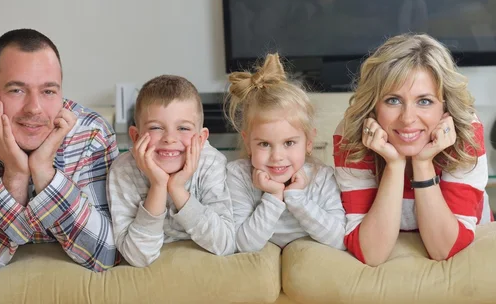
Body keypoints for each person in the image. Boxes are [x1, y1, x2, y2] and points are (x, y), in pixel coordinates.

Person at [0, 29, 119, 277]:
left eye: (48, 91)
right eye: (17, 90)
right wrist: (15, 175)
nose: (34, 108)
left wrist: (44, 172)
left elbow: (107, 253)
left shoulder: (93, 134)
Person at [334, 33, 491, 266]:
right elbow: (371, 253)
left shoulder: (466, 131)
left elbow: (443, 249)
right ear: (373, 106)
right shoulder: (353, 134)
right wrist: (395, 166)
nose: (408, 119)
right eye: (393, 100)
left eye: (424, 101)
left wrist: (422, 164)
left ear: (445, 106)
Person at [107, 75, 235, 267]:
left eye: (183, 127)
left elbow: (225, 244)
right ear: (135, 136)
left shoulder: (211, 162)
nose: (169, 138)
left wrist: (177, 189)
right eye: (156, 127)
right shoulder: (123, 171)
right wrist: (158, 186)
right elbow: (137, 257)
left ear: (201, 139)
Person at [224, 53, 346, 253]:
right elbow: (242, 245)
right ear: (247, 142)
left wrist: (296, 198)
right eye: (264, 144)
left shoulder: (322, 177)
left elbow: (340, 239)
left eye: (289, 143)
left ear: (308, 142)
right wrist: (273, 196)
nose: (277, 156)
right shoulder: (237, 175)